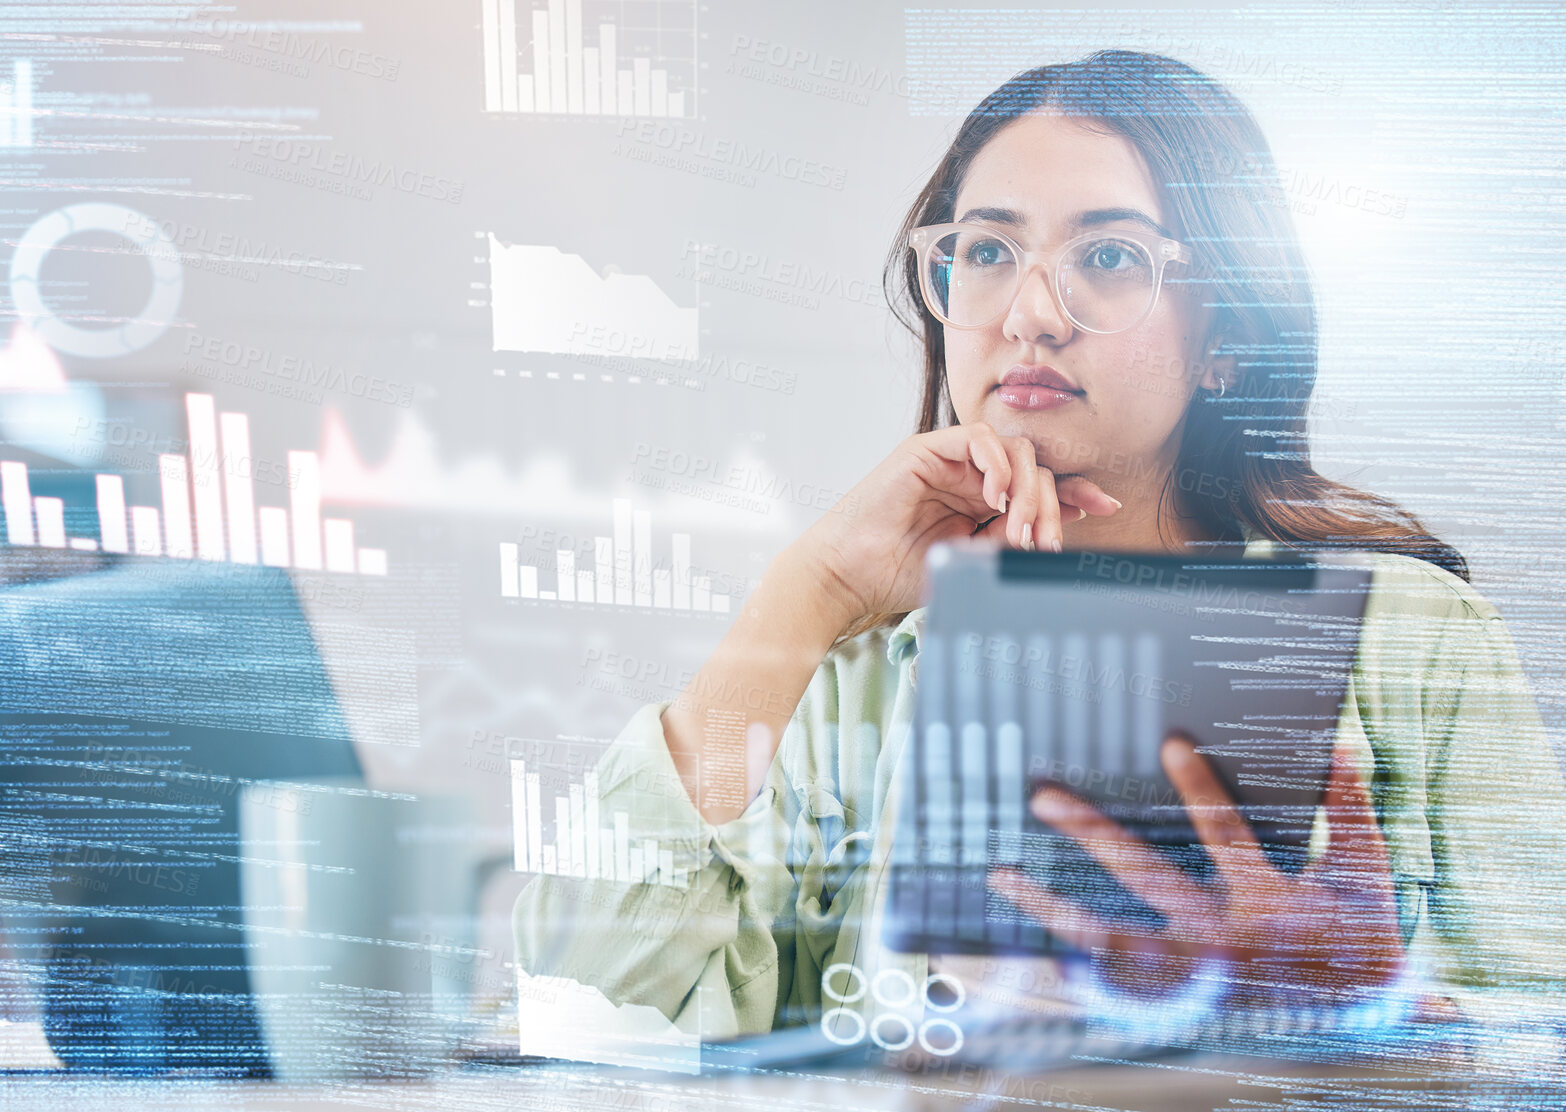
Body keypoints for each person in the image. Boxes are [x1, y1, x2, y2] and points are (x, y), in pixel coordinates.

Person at [513, 49, 1566, 1045]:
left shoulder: (1413, 638)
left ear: (1229, 344)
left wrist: (1361, 1024)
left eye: (1108, 256)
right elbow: (586, 993)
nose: (1029, 313)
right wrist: (809, 588)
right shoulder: (848, 669)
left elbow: (1541, 1048)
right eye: (985, 251)